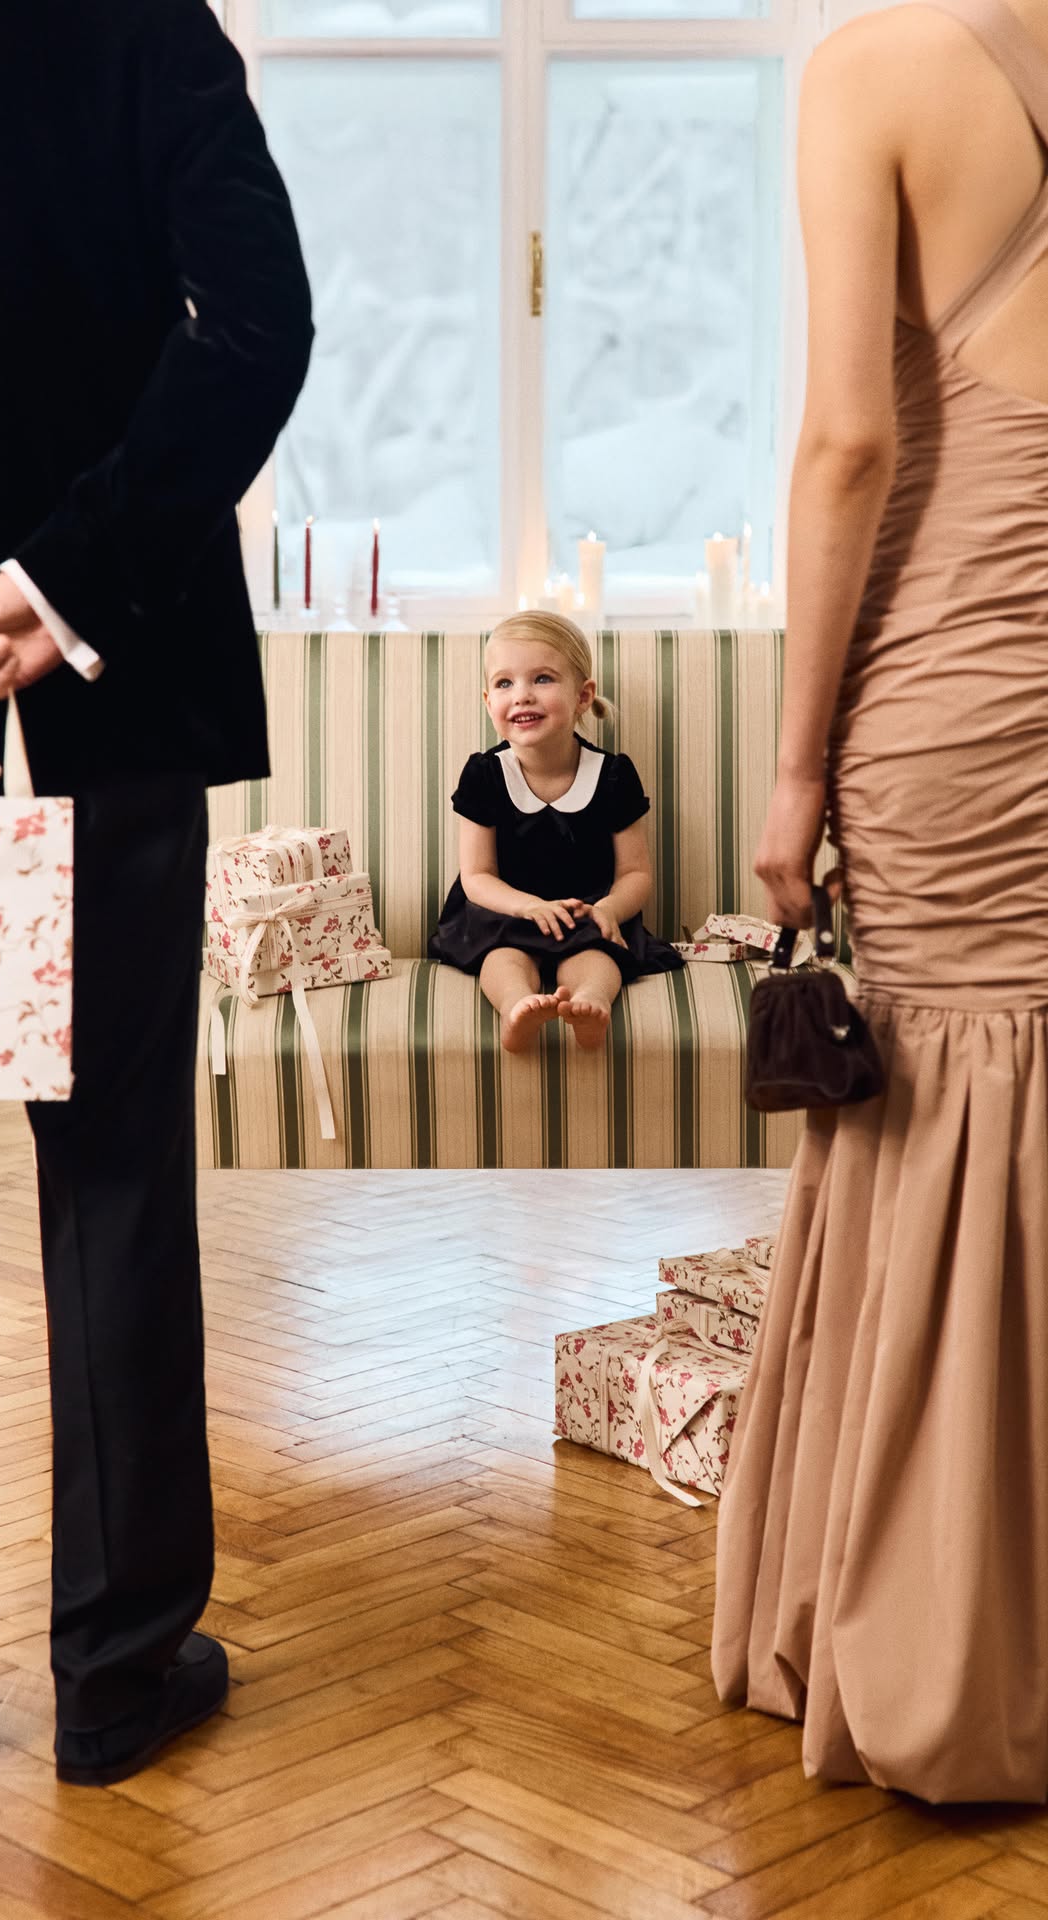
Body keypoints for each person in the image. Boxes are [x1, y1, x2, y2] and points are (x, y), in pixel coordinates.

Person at [0, 0, 313, 1784]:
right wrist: (61, 575)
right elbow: (256, 324)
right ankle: (112, 1676)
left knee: (103, 1171)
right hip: (75, 703)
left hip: (64, 725)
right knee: (108, 1178)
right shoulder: (131, 24)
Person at [711, 0, 1048, 1803]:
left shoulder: (879, 67)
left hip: (962, 683)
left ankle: (946, 1646)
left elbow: (851, 443)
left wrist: (794, 765)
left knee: (939, 1118)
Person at [429, 612, 684, 1052]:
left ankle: (591, 1002)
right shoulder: (485, 775)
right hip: (507, 912)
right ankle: (517, 1006)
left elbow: (636, 873)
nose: (522, 695)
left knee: (597, 956)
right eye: (505, 683)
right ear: (488, 702)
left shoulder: (613, 776)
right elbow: (477, 876)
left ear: (583, 696)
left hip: (585, 911)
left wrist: (608, 910)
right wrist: (528, 906)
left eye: (542, 679)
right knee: (502, 958)